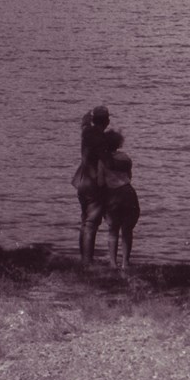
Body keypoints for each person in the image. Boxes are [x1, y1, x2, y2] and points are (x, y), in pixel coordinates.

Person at [71, 105, 110, 265]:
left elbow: (85, 122)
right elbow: (106, 161)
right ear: (106, 121)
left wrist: (87, 116)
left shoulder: (86, 132)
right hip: (94, 183)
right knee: (91, 223)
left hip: (82, 181)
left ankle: (83, 259)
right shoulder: (100, 138)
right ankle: (87, 262)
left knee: (84, 220)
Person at [99, 128, 140, 273]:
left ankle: (112, 263)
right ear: (119, 144)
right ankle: (125, 263)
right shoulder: (126, 158)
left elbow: (100, 182)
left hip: (112, 195)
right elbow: (130, 176)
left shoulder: (102, 161)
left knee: (113, 230)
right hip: (128, 193)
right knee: (127, 230)